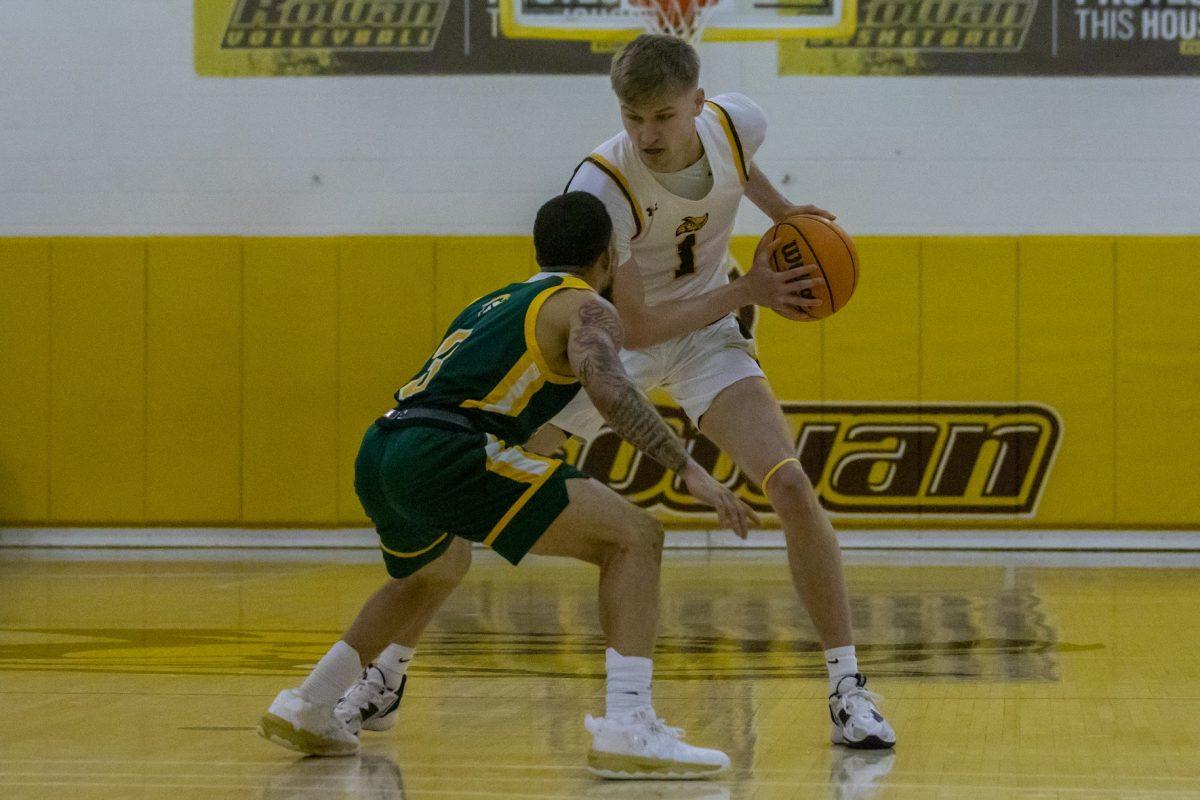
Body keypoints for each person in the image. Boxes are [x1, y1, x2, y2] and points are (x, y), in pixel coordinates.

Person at [341, 33, 895, 751]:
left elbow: (738, 171)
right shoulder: (602, 183)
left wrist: (790, 218)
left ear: (698, 103)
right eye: (634, 118)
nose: (648, 134)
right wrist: (749, 289)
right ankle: (386, 674)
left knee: (790, 485)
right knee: (472, 499)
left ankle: (849, 690)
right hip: (614, 347)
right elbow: (634, 328)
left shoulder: (737, 122)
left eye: (663, 117)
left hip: (710, 335)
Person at [259, 191, 758, 780]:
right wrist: (687, 467)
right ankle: (629, 724)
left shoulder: (494, 300)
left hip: (385, 445)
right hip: (450, 450)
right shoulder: (586, 307)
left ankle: (313, 703)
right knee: (636, 538)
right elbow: (609, 387)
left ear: (538, 250)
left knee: (433, 572)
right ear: (608, 256)